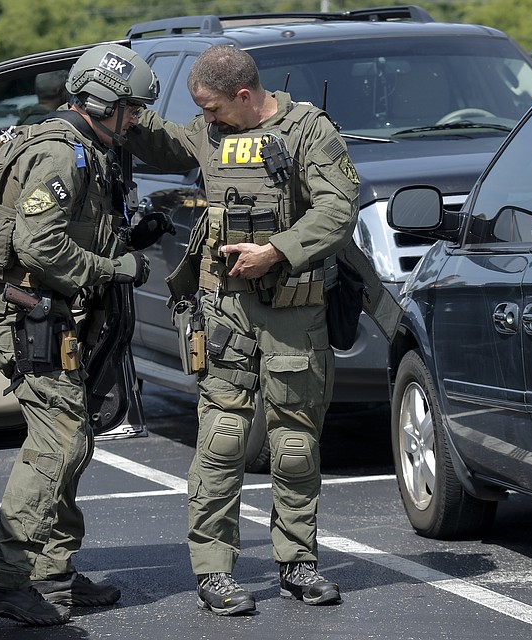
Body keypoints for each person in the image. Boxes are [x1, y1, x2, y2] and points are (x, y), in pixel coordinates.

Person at [124, 45, 402, 615]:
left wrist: (276, 251)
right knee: (221, 442)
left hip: (294, 312)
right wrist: (116, 95)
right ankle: (213, 573)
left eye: (213, 107)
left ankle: (298, 563)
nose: (205, 118)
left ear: (245, 96)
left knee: (296, 442)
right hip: (225, 310)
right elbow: (159, 141)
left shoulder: (308, 133)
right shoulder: (207, 133)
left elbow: (337, 208)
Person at [0, 44, 168, 626]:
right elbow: (38, 245)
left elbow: (76, 233)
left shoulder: (88, 150)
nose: (135, 121)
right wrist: (113, 270)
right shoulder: (61, 155)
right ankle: (5, 580)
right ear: (104, 103)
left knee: (70, 441)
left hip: (58, 317)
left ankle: (51, 573)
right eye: (130, 110)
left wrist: (129, 242)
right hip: (31, 318)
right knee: (61, 445)